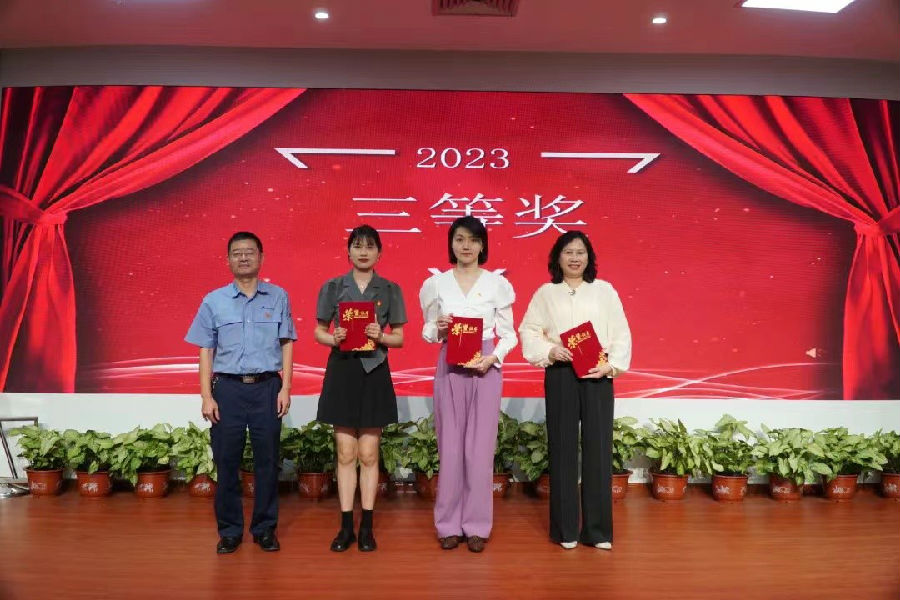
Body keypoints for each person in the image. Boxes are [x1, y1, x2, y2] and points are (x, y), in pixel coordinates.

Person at [519, 230, 632, 551]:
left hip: (598, 372)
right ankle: (565, 529)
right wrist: (549, 351)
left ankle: (598, 531)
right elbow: (529, 330)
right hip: (561, 373)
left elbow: (621, 332)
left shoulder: (604, 291)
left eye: (580, 252)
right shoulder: (546, 293)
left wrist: (612, 365)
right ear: (557, 258)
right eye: (568, 252)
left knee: (598, 449)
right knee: (562, 448)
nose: (574, 258)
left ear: (589, 257)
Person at [185, 231, 296, 554]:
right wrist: (206, 396)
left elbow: (287, 343)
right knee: (226, 461)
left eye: (249, 252)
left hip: (267, 388)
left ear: (261, 257)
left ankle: (264, 528)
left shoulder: (278, 297)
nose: (243, 257)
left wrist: (286, 387)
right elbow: (205, 350)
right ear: (228, 260)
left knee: (267, 462)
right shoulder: (213, 301)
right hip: (228, 390)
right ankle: (230, 530)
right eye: (237, 253)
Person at [418, 216, 517, 553]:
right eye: (459, 239)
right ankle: (448, 525)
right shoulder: (436, 284)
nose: (466, 246)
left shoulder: (497, 284)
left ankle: (476, 526)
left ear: (482, 245)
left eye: (473, 240)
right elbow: (427, 331)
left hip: (485, 366)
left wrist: (493, 357)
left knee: (479, 450)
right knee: (449, 447)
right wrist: (439, 328)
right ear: (451, 243)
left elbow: (509, 335)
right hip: (449, 365)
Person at [314, 225, 407, 552]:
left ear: (379, 252)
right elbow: (319, 331)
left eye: (369, 246)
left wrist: (381, 336)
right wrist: (334, 337)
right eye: (357, 246)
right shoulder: (333, 287)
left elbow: (399, 338)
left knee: (368, 453)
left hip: (374, 371)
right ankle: (345, 527)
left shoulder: (390, 289)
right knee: (345, 452)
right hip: (342, 370)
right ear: (348, 251)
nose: (363, 252)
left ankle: (366, 526)